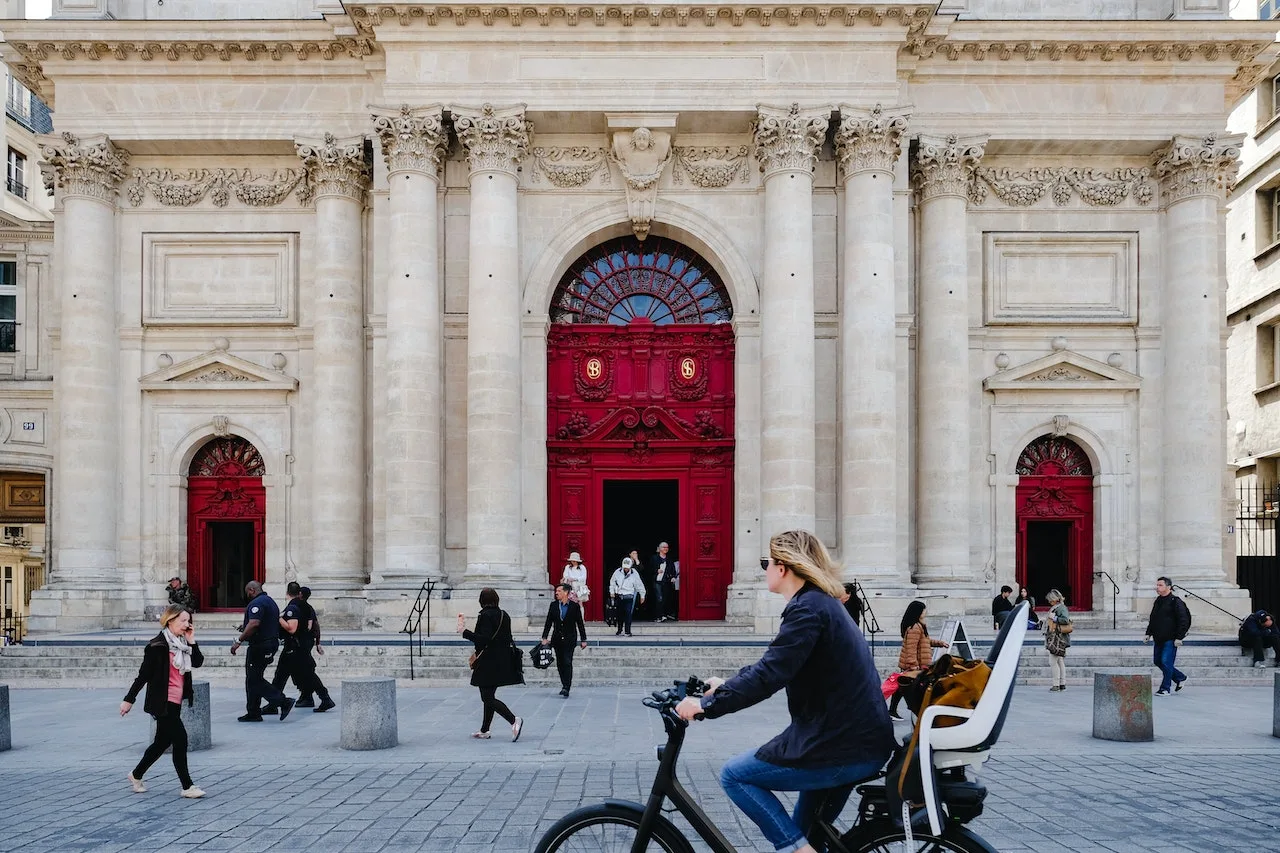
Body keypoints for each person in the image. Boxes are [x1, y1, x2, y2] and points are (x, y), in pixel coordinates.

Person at [674, 530, 894, 853]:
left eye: (767, 562)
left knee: (735, 776)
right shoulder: (818, 604)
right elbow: (774, 662)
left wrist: (707, 705)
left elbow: (769, 676)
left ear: (784, 568)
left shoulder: (808, 610)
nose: (764, 569)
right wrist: (726, 686)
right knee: (805, 831)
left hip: (841, 745)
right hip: (853, 739)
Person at [120, 604, 206, 799]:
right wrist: (128, 700)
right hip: (162, 702)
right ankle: (187, 786)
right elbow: (142, 676)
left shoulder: (183, 644)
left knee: (161, 743)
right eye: (183, 620)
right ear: (170, 620)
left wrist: (192, 641)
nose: (187, 624)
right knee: (180, 740)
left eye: (188, 620)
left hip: (176, 701)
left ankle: (136, 775)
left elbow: (198, 661)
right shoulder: (156, 646)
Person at [457, 588, 523, 741]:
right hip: (501, 660)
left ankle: (514, 720)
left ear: (482, 600)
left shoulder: (485, 615)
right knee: (489, 695)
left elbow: (483, 639)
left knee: (487, 697)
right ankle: (485, 730)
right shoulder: (503, 614)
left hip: (488, 661)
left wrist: (463, 631)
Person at [230, 580, 295, 722]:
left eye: (248, 592)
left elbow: (254, 623)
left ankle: (283, 701)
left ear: (252, 590)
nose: (247, 595)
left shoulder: (257, 603)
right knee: (253, 678)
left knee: (254, 679)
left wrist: (239, 641)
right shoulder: (270, 601)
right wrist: (246, 627)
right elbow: (262, 622)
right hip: (269, 643)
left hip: (260, 646)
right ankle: (253, 712)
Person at [268, 582, 335, 714]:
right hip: (302, 645)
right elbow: (315, 625)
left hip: (294, 646)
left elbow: (291, 628)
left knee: (282, 675)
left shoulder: (293, 607)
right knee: (304, 673)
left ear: (287, 593)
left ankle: (273, 704)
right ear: (299, 593)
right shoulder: (307, 606)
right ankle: (319, 698)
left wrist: (278, 618)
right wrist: (317, 643)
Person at [887, 600, 948, 720]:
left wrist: (940, 643)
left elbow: (924, 641)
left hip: (918, 663)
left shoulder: (919, 626)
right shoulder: (915, 627)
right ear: (918, 611)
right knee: (908, 688)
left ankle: (893, 710)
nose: (925, 612)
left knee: (902, 687)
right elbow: (911, 648)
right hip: (915, 664)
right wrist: (913, 665)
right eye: (924, 609)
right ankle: (904, 711)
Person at [1144, 576, 1191, 696]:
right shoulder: (1158, 601)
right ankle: (1180, 677)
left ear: (1168, 587)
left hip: (1171, 638)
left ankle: (1165, 688)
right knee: (1158, 661)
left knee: (1166, 661)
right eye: (1157, 585)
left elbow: (1184, 620)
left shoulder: (1176, 601)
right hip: (1158, 637)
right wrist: (1148, 633)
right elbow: (1153, 618)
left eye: (1160, 585)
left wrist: (1179, 637)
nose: (1157, 587)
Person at [541, 583, 588, 697]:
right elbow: (548, 622)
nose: (556, 593)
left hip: (570, 638)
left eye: (559, 591)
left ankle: (567, 686)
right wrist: (544, 637)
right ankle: (563, 684)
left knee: (567, 661)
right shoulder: (553, 605)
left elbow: (580, 624)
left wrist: (583, 639)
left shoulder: (574, 606)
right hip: (557, 638)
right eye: (556, 591)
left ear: (566, 592)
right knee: (560, 663)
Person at [609, 557, 646, 636]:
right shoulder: (617, 572)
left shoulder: (634, 573)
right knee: (619, 614)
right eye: (625, 567)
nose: (626, 569)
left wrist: (642, 595)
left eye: (627, 567)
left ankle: (627, 631)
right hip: (620, 595)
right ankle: (619, 630)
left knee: (628, 613)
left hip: (629, 596)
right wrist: (612, 591)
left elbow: (639, 584)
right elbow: (612, 582)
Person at [1044, 589, 1072, 692]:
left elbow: (1065, 620)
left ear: (1055, 599)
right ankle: (1062, 683)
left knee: (1052, 661)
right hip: (1057, 637)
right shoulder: (1057, 607)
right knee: (1060, 660)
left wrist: (1054, 618)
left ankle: (1056, 684)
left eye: (1050, 600)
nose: (1049, 602)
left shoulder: (1061, 608)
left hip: (1058, 639)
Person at [648, 542, 679, 622]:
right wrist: (656, 570)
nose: (666, 548)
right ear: (660, 548)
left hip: (666, 582)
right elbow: (649, 570)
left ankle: (663, 615)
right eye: (664, 547)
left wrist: (673, 577)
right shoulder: (654, 558)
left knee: (665, 598)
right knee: (659, 598)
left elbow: (673, 570)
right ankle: (658, 616)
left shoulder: (669, 559)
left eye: (667, 547)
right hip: (657, 581)